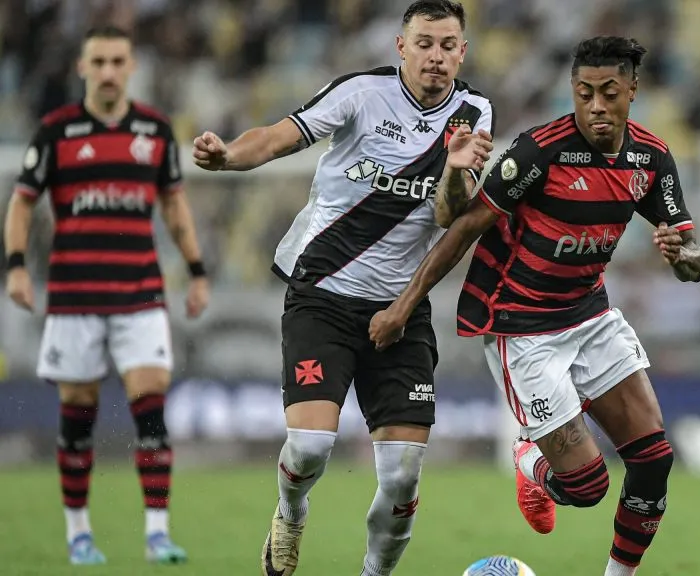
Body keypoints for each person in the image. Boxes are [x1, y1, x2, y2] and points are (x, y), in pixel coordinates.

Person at [369, 36, 700, 576]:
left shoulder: (651, 158)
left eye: (609, 93)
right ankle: (531, 461)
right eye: (584, 92)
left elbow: (693, 258)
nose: (596, 106)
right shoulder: (539, 151)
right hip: (522, 328)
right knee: (589, 487)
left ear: (632, 92)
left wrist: (681, 253)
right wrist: (404, 305)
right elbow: (464, 228)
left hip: (590, 315)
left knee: (653, 461)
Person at [190, 1, 493, 575]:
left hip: (400, 310)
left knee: (402, 476)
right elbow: (280, 136)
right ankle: (290, 513)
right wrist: (229, 156)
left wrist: (454, 168)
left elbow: (452, 214)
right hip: (322, 295)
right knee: (309, 448)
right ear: (401, 48)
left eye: (447, 45)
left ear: (463, 51)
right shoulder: (359, 93)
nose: (436, 56)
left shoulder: (474, 112)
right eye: (424, 43)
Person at [3, 26, 208, 565]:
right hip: (74, 294)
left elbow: (174, 205)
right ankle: (78, 534)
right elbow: (23, 202)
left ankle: (157, 533)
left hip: (140, 290)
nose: (110, 71)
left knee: (150, 402)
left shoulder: (156, 130)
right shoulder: (56, 132)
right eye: (100, 61)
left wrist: (197, 270)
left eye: (118, 60)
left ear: (131, 65)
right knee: (78, 413)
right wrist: (17, 267)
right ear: (82, 67)